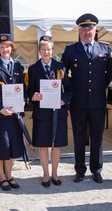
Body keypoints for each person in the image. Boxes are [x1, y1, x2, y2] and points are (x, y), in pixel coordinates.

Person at [62, 13, 112, 184]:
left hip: (98, 101)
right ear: (79, 30)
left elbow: (111, 73)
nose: (87, 31)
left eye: (90, 28)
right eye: (84, 28)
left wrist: (101, 87)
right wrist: (70, 89)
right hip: (78, 101)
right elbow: (62, 73)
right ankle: (79, 170)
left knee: (97, 136)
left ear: (95, 30)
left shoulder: (105, 49)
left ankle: (96, 169)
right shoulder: (71, 50)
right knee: (78, 136)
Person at [27, 36, 73, 187]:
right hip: (41, 113)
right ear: (39, 51)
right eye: (43, 49)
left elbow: (69, 89)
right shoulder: (33, 69)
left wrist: (63, 100)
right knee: (42, 145)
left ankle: (55, 173)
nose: (46, 52)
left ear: (52, 51)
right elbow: (30, 91)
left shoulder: (61, 67)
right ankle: (45, 174)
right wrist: (34, 95)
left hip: (57, 111)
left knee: (56, 145)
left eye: (48, 49)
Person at [0, 33, 25, 191]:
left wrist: (23, 100)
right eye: (1, 47)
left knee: (11, 147)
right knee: (1, 146)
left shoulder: (17, 65)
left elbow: (22, 87)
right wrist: (0, 108)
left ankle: (9, 175)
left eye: (7, 46)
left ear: (12, 48)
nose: (4, 49)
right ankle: (1, 177)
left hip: (14, 114)